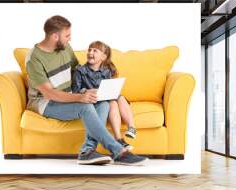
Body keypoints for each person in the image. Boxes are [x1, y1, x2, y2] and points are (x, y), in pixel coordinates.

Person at [25, 15, 148, 165]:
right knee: (85, 106)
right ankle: (119, 151)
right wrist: (80, 98)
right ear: (55, 36)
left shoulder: (64, 47)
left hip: (68, 96)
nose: (70, 39)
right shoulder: (34, 59)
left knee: (103, 104)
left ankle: (87, 151)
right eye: (67, 36)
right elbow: (49, 93)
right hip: (45, 102)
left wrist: (89, 91)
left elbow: (79, 71)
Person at [71, 41, 137, 152]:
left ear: (103, 57)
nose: (90, 52)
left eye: (95, 51)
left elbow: (109, 89)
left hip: (105, 98)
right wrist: (87, 91)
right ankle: (119, 139)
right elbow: (75, 91)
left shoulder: (107, 71)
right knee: (109, 103)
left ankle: (130, 129)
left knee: (116, 100)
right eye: (89, 50)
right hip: (92, 100)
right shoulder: (80, 70)